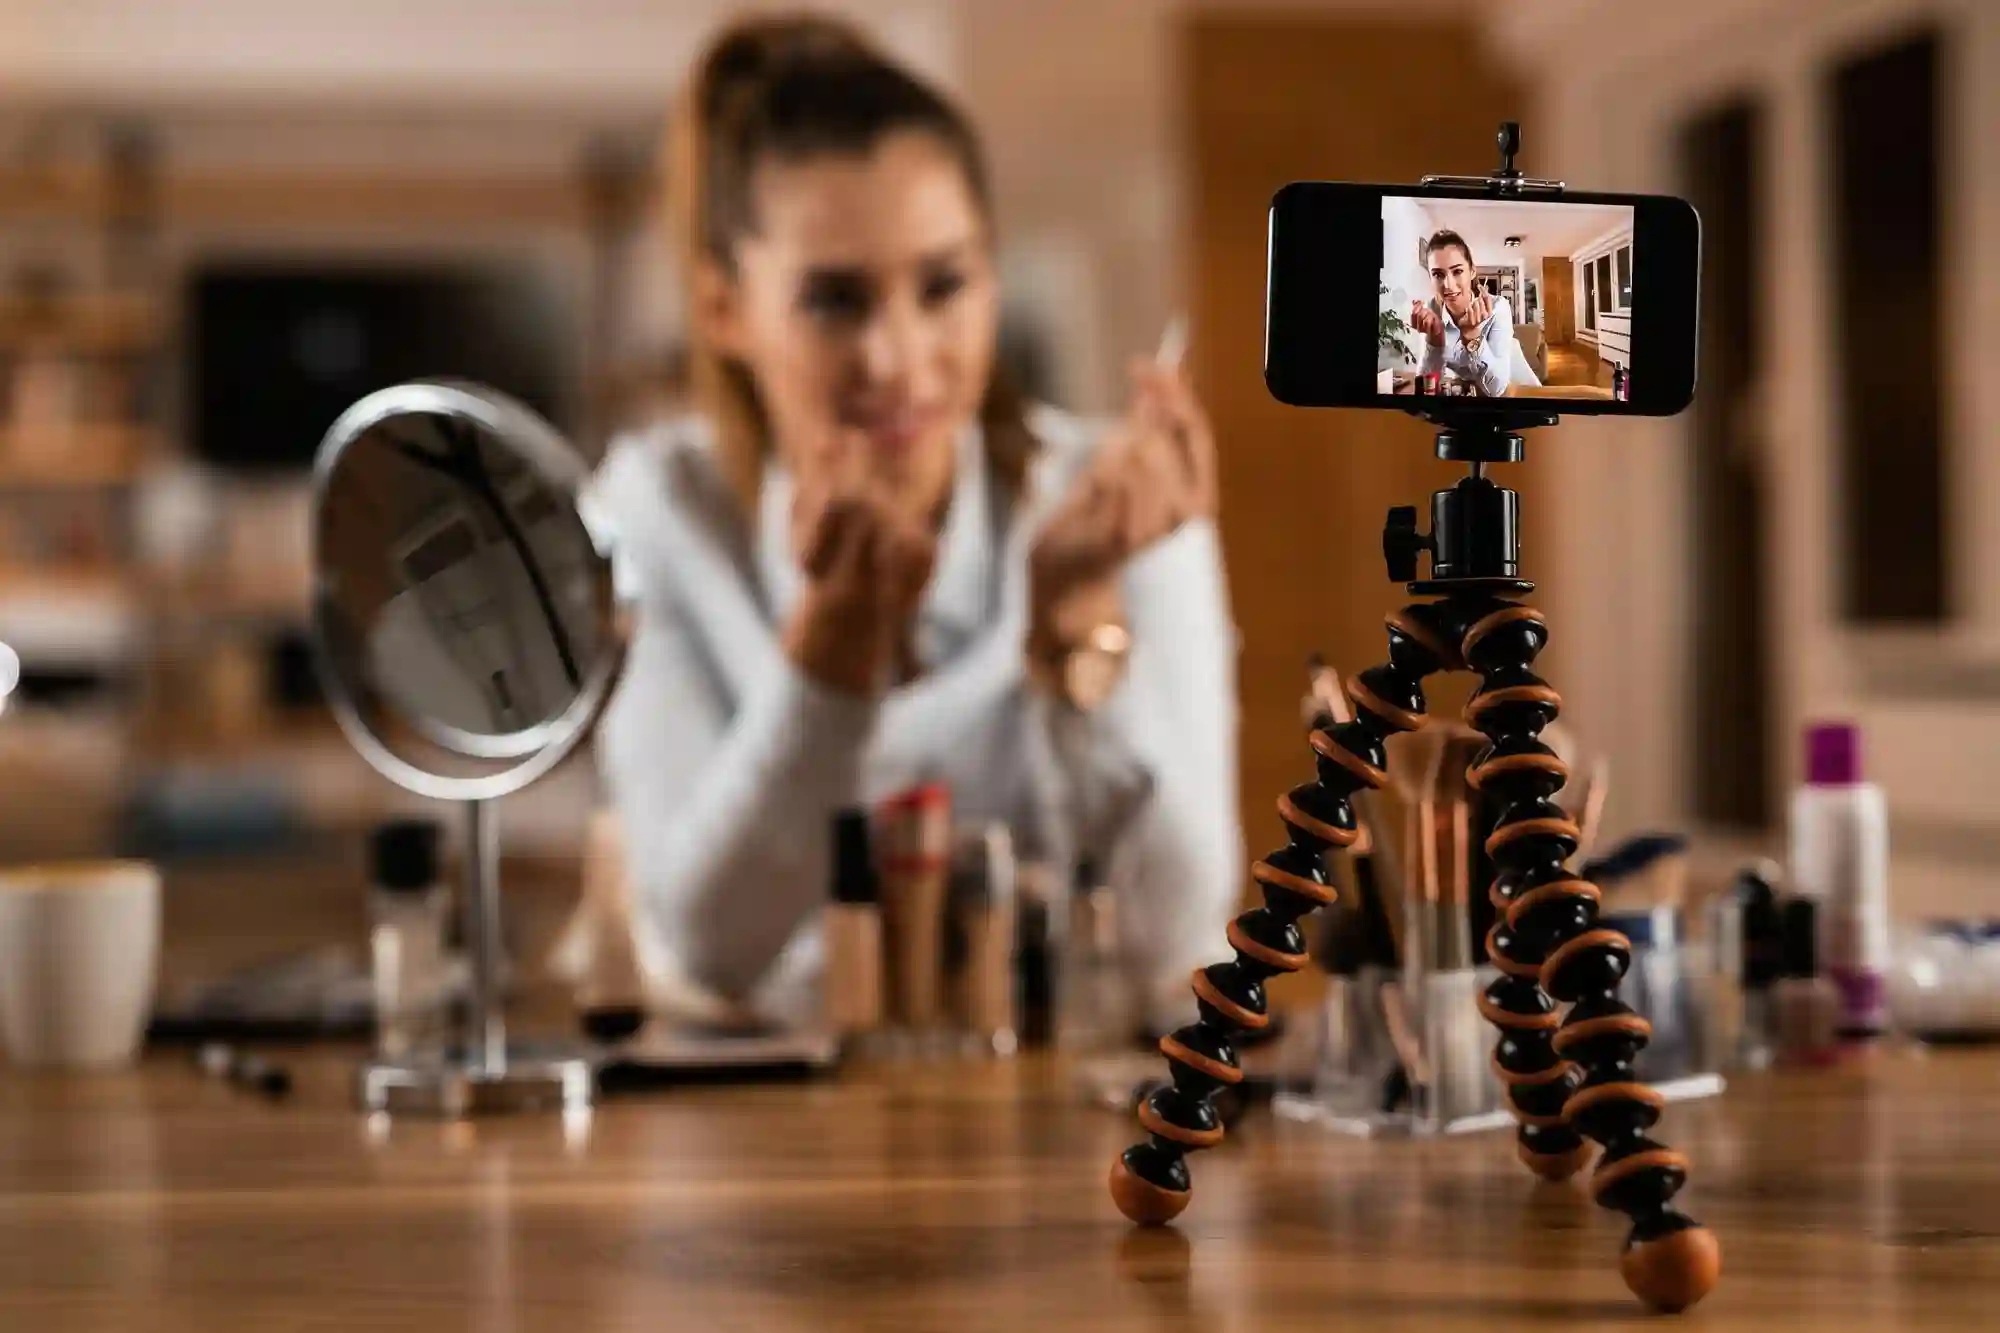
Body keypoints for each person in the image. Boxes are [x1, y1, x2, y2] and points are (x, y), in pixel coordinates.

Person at [577, 14, 1242, 1029]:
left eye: (943, 285)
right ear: (722, 307)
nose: (897, 357)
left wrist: (1072, 625)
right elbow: (712, 943)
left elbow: (1177, 929)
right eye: (834, 302)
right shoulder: (657, 512)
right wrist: (827, 660)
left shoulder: (1112, 505)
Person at [1409, 230, 1539, 396]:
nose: (1448, 285)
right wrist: (1434, 341)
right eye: (1438, 274)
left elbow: (1497, 390)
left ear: (1471, 271)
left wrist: (1472, 337)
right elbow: (1426, 389)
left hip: (1520, 393)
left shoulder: (1498, 308)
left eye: (1457, 271)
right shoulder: (1432, 310)